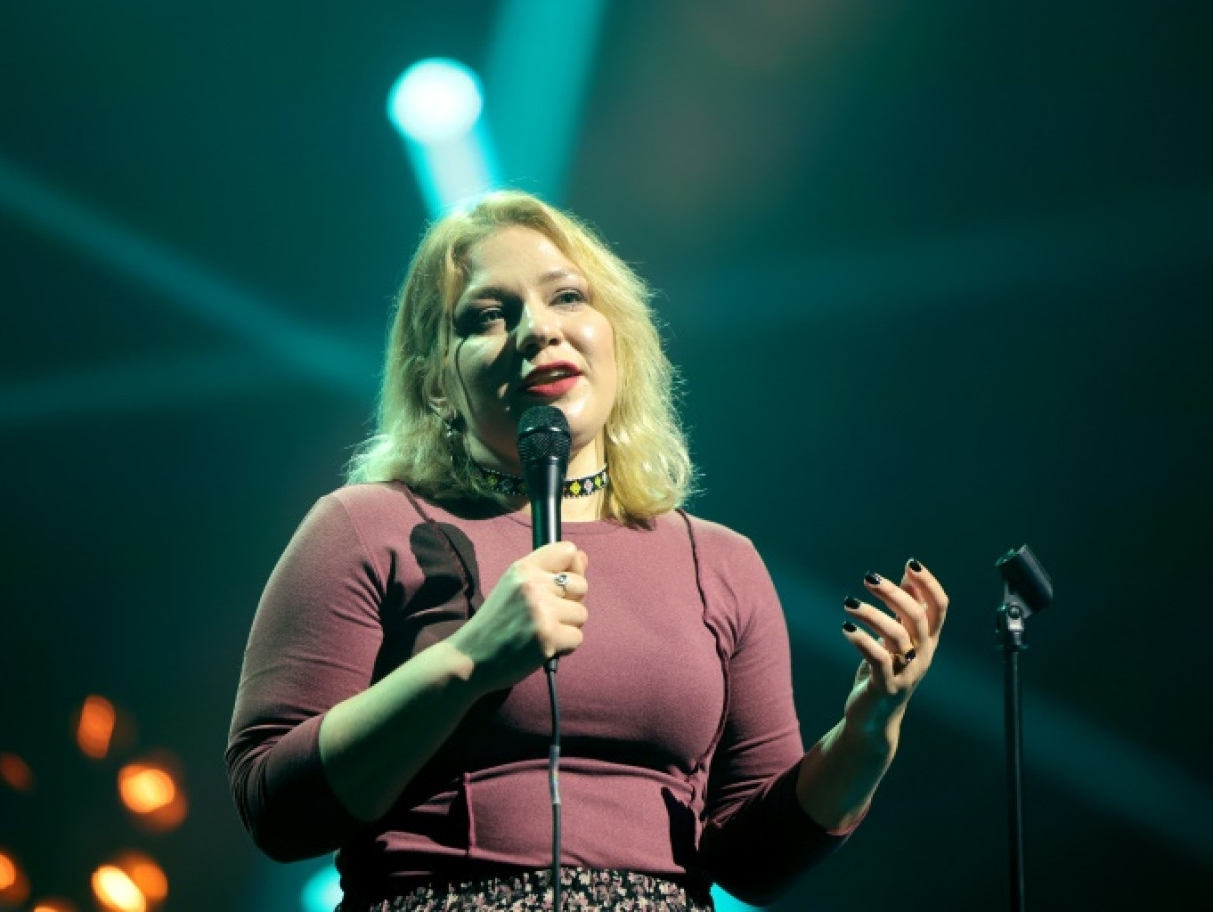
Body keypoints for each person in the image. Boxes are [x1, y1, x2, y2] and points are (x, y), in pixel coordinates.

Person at [226, 191, 949, 911]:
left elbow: (751, 863)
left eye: (567, 297)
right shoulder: (367, 526)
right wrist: (468, 659)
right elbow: (274, 807)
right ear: (436, 381)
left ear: (619, 337)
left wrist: (867, 732)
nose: (538, 330)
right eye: (487, 315)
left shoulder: (719, 561)